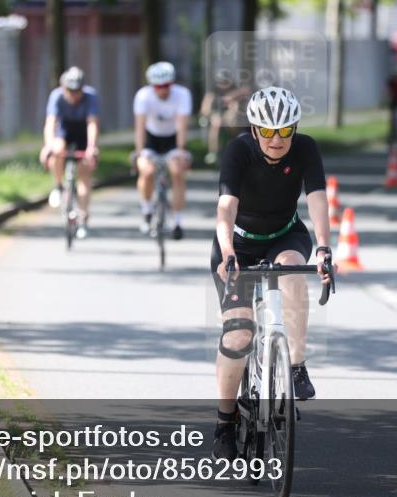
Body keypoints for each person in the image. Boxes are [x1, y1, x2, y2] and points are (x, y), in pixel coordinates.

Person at [210, 87, 334, 461]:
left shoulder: (306, 148)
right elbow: (226, 206)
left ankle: (295, 366)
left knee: (291, 273)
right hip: (239, 244)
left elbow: (316, 198)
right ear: (254, 128)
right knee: (239, 336)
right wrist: (228, 248)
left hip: (284, 235)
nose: (276, 139)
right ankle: (225, 421)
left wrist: (325, 247)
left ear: (295, 129)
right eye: (267, 131)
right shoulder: (239, 150)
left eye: (285, 131)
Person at [133, 61, 193, 239]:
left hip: (172, 139)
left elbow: (182, 126)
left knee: (176, 172)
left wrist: (181, 151)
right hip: (151, 138)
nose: (162, 90)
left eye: (166, 85)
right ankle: (147, 210)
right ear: (152, 86)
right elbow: (139, 127)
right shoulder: (143, 96)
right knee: (147, 170)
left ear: (172, 83)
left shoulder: (182, 95)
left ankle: (178, 221)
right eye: (157, 86)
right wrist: (139, 151)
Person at [40, 66, 99, 239]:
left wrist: (91, 147)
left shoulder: (90, 97)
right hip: (64, 131)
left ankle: (83, 217)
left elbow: (92, 124)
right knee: (57, 150)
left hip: (83, 132)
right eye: (70, 91)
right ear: (63, 88)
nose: (74, 95)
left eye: (77, 91)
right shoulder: (56, 96)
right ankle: (58, 186)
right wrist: (48, 146)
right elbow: (50, 123)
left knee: (84, 173)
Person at [201, 71, 250, 166]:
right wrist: (210, 115)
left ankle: (236, 146)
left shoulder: (233, 88)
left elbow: (245, 90)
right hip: (217, 116)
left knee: (233, 109)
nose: (223, 85)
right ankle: (213, 152)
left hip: (232, 118)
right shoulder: (214, 91)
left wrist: (231, 96)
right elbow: (205, 108)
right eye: (222, 82)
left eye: (225, 82)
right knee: (216, 123)